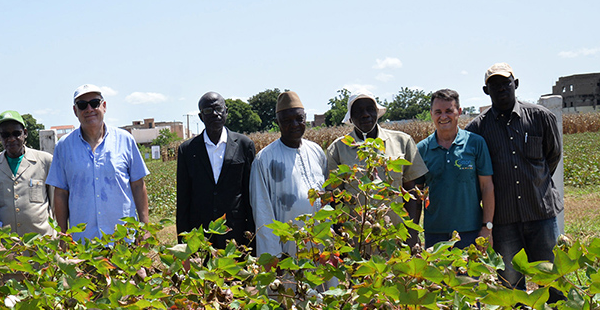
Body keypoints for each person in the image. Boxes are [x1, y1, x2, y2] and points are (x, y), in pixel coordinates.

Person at [465, 63, 563, 297]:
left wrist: (535, 185)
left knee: (552, 282)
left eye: (506, 83)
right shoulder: (477, 130)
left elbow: (553, 156)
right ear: (485, 90)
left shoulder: (540, 117)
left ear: (515, 84)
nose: (501, 89)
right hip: (504, 221)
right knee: (511, 287)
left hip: (541, 215)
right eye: (494, 85)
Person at [46, 84, 150, 241]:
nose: (89, 109)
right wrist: (63, 234)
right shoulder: (64, 146)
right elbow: (60, 193)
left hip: (123, 239)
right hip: (83, 242)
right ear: (75, 111)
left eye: (94, 103)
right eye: (82, 105)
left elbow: (138, 185)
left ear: (104, 106)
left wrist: (145, 228)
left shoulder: (125, 139)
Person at [325, 90, 428, 236]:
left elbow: (411, 192)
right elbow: (335, 199)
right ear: (351, 118)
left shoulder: (402, 142)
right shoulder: (338, 149)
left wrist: (411, 235)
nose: (365, 114)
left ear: (377, 112)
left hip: (393, 237)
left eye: (370, 109)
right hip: (356, 239)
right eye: (359, 111)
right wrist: (342, 239)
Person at [250, 91, 328, 256]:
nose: (294, 124)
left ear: (305, 118)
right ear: (277, 122)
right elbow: (262, 211)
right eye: (287, 120)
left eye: (299, 119)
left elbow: (327, 197)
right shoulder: (264, 159)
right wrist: (274, 256)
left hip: (322, 243)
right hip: (288, 249)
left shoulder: (317, 151)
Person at [176, 92, 255, 249]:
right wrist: (184, 245)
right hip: (201, 234)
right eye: (208, 110)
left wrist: (251, 235)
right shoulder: (187, 150)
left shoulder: (244, 145)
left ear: (226, 111)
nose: (215, 114)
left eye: (218, 109)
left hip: (235, 231)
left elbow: (250, 194)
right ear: (200, 116)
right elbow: (183, 199)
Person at [417, 89, 494, 249]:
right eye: (438, 112)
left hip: (470, 232)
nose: (443, 116)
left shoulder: (475, 143)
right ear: (431, 114)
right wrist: (413, 233)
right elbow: (416, 195)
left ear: (459, 112)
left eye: (448, 111)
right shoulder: (422, 149)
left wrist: (487, 229)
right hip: (435, 235)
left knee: (467, 275)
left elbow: (487, 187)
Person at [0, 110, 54, 236]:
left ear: (25, 133)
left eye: (16, 133)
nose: (11, 139)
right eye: (5, 135)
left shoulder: (45, 161)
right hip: (8, 247)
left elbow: (54, 204)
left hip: (42, 244)